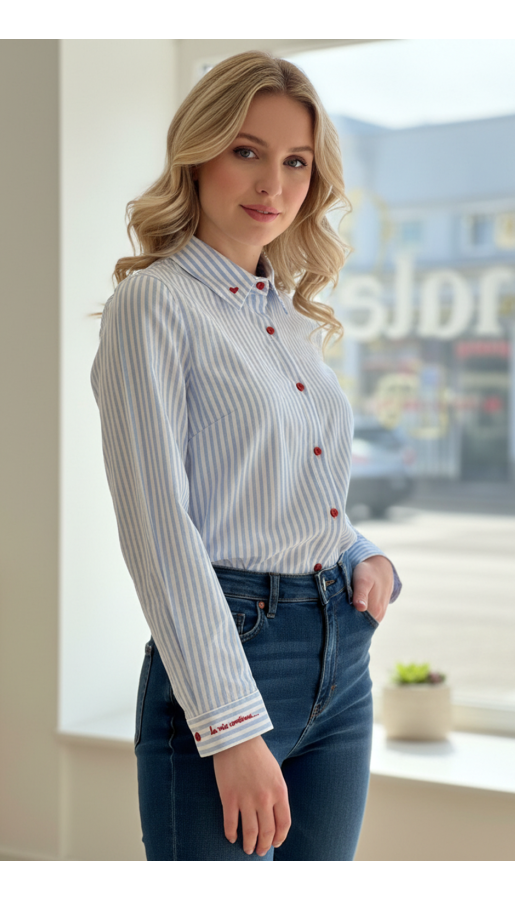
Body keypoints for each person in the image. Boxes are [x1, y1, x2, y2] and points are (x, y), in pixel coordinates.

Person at [90, 50, 402, 862]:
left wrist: (360, 550)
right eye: (247, 151)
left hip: (342, 654)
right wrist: (229, 729)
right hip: (232, 652)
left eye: (296, 161)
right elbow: (160, 531)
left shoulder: (286, 317)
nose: (274, 183)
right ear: (197, 154)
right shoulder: (153, 304)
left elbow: (287, 480)